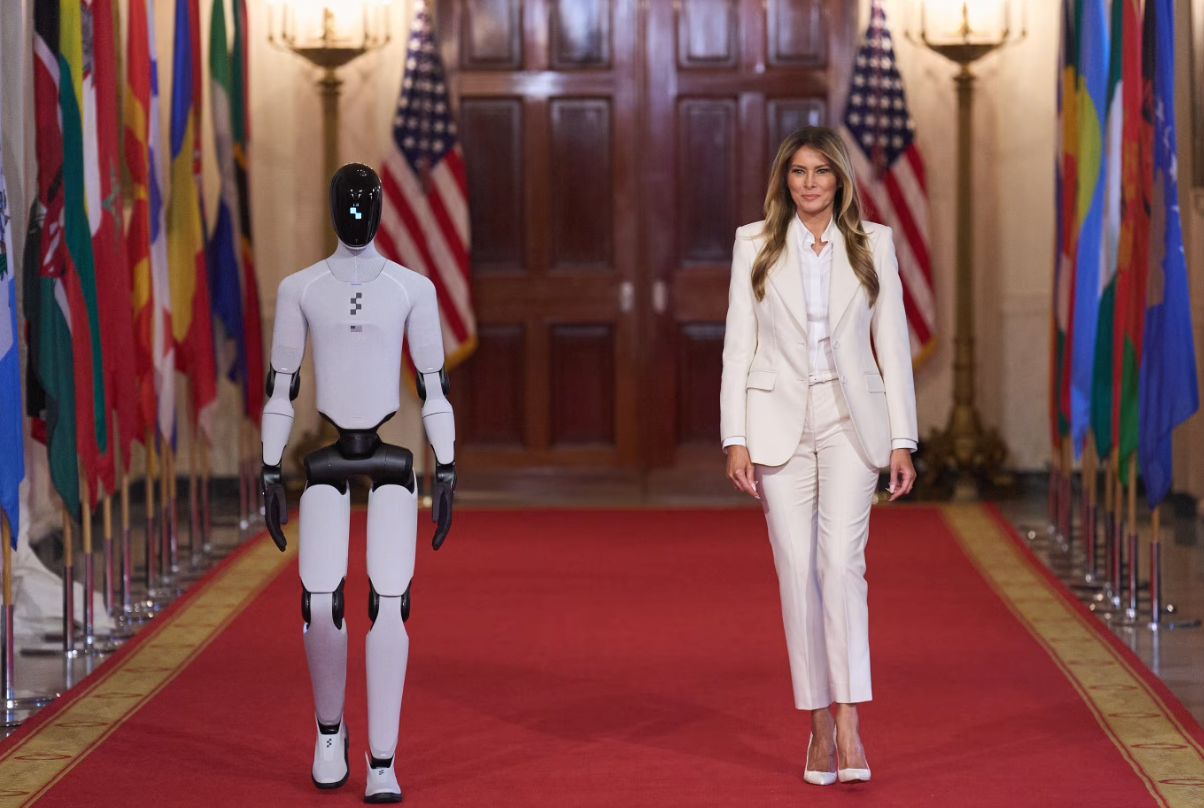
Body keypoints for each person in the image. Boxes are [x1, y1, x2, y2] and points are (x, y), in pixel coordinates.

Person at [719, 126, 918, 786]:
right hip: (776, 426)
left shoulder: (874, 243)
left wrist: (902, 439)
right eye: (799, 171)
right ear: (785, 178)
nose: (810, 183)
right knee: (797, 571)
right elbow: (738, 347)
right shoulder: (753, 243)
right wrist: (735, 436)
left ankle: (850, 720)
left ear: (840, 180)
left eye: (822, 171)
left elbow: (893, 345)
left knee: (840, 565)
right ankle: (817, 723)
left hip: (849, 423)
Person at [260, 163, 457, 803]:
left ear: (378, 209)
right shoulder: (301, 289)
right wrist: (269, 467)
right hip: (328, 459)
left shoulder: (411, 288)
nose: (355, 215)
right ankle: (329, 732)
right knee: (319, 601)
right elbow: (281, 386)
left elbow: (434, 385)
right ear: (331, 207)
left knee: (390, 604)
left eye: (363, 203)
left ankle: (382, 758)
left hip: (390, 460)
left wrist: (446, 466)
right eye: (345, 204)